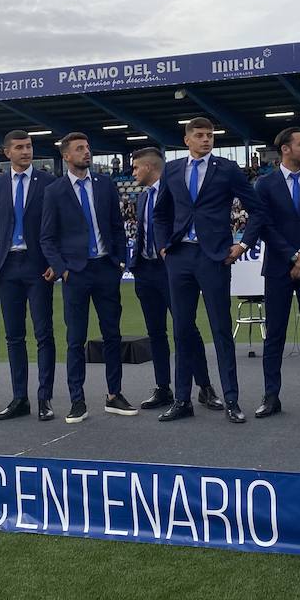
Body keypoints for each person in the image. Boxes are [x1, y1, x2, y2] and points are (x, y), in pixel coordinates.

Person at [153, 117, 265, 422]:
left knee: (220, 329)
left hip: (214, 257)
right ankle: (182, 400)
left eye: (210, 135)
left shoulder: (227, 169)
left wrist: (243, 245)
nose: (206, 139)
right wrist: (164, 246)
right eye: (200, 135)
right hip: (179, 255)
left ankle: (231, 399)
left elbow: (257, 209)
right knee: (182, 329)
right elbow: (160, 213)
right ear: (186, 139)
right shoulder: (173, 169)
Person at [39, 131, 134, 423]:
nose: (86, 152)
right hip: (76, 274)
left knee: (112, 335)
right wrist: (63, 268)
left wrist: (121, 262)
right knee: (75, 339)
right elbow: (47, 237)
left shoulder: (105, 185)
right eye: (79, 149)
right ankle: (77, 400)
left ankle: (114, 394)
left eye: (88, 147)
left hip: (106, 268)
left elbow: (117, 227)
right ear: (66, 156)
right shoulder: (54, 191)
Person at [128, 146, 219, 410]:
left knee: (186, 328)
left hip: (171, 269)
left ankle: (204, 386)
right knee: (156, 332)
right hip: (145, 271)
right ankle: (163, 387)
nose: (133, 172)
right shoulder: (144, 197)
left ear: (149, 167)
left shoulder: (176, 193)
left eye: (135, 167)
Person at [249, 126, 300, 417]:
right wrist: (295, 257)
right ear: (285, 149)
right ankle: (271, 396)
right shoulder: (265, 185)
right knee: (275, 334)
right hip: (279, 268)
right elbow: (265, 226)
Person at [0, 130, 58, 421]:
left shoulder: (48, 182)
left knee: (43, 334)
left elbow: (57, 226)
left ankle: (44, 398)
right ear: (7, 153)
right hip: (6, 267)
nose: (26, 151)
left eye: (28, 146)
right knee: (14, 336)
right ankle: (19, 398)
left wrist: (55, 262)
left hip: (38, 265)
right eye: (19, 147)